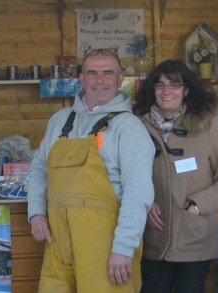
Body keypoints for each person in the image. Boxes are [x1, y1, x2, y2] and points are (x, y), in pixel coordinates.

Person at [26, 48, 155, 292]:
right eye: (92, 73)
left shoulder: (129, 128)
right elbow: (38, 170)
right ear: (81, 79)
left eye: (108, 73)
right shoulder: (59, 120)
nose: (100, 80)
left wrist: (124, 248)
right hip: (58, 245)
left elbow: (138, 194)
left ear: (119, 79)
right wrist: (37, 212)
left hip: (106, 249)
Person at [132, 59, 218, 293]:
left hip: (195, 237)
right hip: (154, 236)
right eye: (159, 85)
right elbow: (128, 175)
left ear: (187, 89)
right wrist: (145, 202)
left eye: (174, 84)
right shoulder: (137, 125)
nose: (166, 91)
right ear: (153, 90)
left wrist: (197, 205)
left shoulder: (209, 124)